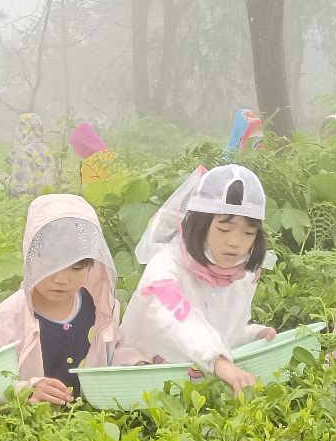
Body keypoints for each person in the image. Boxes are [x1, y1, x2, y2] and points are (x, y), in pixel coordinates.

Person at [117, 164, 275, 394]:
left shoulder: (241, 274)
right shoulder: (164, 268)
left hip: (195, 391)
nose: (235, 242)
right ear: (200, 226)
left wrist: (253, 334)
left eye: (248, 233)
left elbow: (224, 330)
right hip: (141, 389)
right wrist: (220, 363)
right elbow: (179, 321)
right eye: (224, 229)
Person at [0, 194, 122, 405]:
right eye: (50, 263)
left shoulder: (101, 311)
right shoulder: (5, 321)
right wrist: (23, 393)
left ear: (92, 265)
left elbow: (119, 362)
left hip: (91, 432)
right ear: (30, 257)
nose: (61, 279)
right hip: (25, 434)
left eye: (76, 267)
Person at [2, 113, 60, 197]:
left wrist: (4, 181)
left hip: (32, 205)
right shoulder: (47, 150)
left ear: (21, 129)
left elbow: (19, 190)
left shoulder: (23, 153)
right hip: (48, 202)